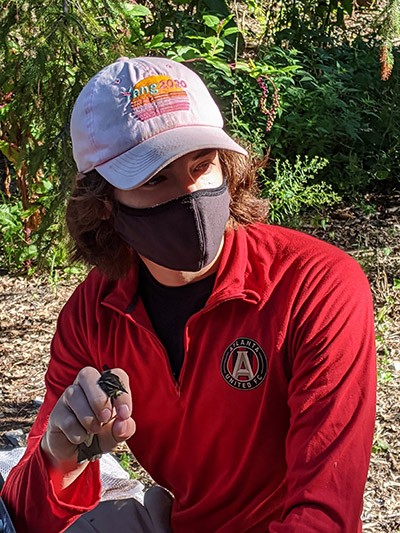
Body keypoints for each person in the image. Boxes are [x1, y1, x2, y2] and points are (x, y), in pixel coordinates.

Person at [1, 56, 376, 533]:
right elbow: (27, 516)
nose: (192, 197)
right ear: (104, 203)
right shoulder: (96, 317)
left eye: (202, 165)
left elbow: (325, 513)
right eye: (154, 179)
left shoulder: (313, 287)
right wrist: (63, 454)